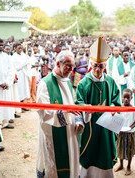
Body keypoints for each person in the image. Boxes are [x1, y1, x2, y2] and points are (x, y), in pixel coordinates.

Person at [76, 37, 121, 177]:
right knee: (90, 152)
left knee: (105, 152)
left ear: (105, 66)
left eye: (101, 66)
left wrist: (113, 107)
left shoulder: (111, 81)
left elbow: (116, 101)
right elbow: (78, 103)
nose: (97, 69)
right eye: (95, 65)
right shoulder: (83, 83)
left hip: (106, 127)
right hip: (90, 126)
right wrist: (86, 107)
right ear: (91, 64)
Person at [36, 50, 84, 178]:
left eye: (72, 65)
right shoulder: (45, 84)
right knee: (55, 167)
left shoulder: (67, 81)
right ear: (58, 63)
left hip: (70, 133)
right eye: (67, 65)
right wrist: (66, 111)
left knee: (72, 164)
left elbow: (73, 105)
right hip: (53, 134)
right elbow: (44, 113)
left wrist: (78, 121)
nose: (70, 69)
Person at [115, 89, 135, 176]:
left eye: (128, 97)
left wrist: (130, 127)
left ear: (131, 98)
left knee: (130, 150)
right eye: (124, 97)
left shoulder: (134, 109)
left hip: (130, 133)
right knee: (120, 149)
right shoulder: (119, 108)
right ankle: (121, 165)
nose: (126, 99)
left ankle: (128, 166)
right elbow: (116, 119)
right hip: (120, 132)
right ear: (122, 97)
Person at [0, 38, 14, 129]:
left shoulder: (6, 56)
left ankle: (5, 122)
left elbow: (11, 70)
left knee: (5, 104)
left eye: (2, 45)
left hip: (5, 86)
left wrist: (7, 82)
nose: (0, 46)